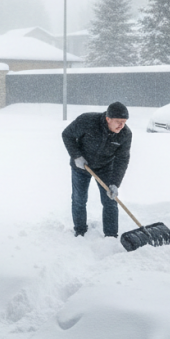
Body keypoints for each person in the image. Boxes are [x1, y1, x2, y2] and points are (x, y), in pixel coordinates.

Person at [61, 101, 132, 238]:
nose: (121, 125)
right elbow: (67, 135)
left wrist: (115, 183)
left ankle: (111, 235)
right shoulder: (87, 121)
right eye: (118, 122)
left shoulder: (125, 134)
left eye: (124, 122)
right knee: (79, 199)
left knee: (110, 199)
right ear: (108, 118)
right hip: (82, 165)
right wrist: (76, 156)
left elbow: (122, 160)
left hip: (105, 167)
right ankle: (80, 230)